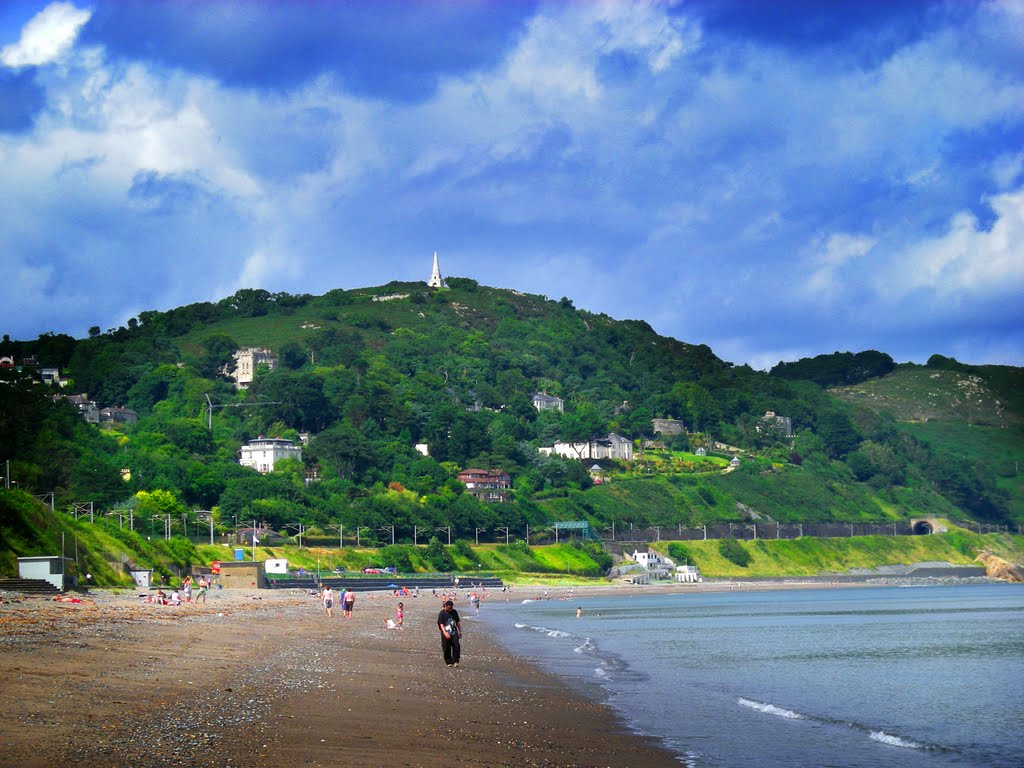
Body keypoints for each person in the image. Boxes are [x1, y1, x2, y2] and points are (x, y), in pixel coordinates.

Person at [437, 599, 462, 667]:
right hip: (446, 632)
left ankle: (455, 661)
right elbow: (441, 624)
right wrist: (445, 633)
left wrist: (460, 631)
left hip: (454, 632)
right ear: (445, 606)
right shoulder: (442, 613)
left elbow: (457, 622)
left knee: (456, 646)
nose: (450, 609)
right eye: (448, 608)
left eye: (451, 608)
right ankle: (448, 662)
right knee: (446, 647)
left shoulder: (454, 612)